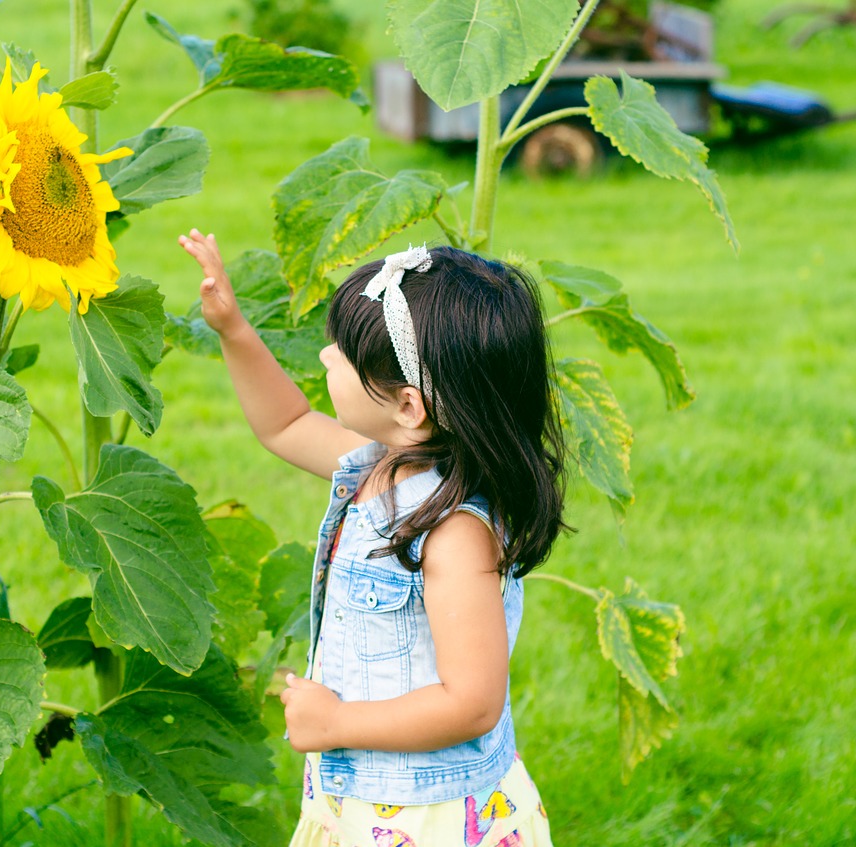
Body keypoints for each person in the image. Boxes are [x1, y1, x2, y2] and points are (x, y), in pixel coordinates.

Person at [179, 228, 569, 846]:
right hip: (370, 799)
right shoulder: (385, 466)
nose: (325, 357)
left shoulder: (456, 534)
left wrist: (337, 721)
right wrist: (233, 330)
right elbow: (286, 425)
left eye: (344, 354)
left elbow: (473, 702)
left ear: (409, 407)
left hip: (427, 817)